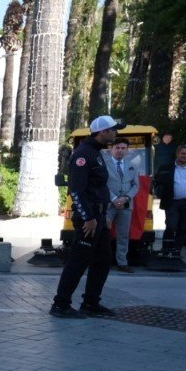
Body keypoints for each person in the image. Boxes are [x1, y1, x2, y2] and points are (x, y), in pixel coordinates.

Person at [51, 115, 122, 318]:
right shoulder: (83, 154)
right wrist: (89, 217)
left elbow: (98, 187)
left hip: (98, 216)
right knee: (78, 261)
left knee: (103, 260)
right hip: (88, 218)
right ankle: (60, 304)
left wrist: (103, 214)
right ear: (102, 132)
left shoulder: (96, 152)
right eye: (113, 130)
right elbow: (76, 190)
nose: (116, 133)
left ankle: (91, 303)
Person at [102, 140, 139, 272]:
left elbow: (136, 185)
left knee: (123, 235)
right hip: (108, 204)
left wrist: (126, 198)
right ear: (111, 149)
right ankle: (101, 261)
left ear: (127, 150)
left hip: (126, 205)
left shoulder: (132, 166)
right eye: (117, 147)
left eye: (123, 148)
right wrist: (114, 199)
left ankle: (122, 263)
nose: (120, 150)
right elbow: (102, 184)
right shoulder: (104, 164)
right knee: (103, 233)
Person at [153, 143, 186, 258]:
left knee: (183, 228)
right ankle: (166, 249)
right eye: (183, 153)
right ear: (177, 154)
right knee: (171, 226)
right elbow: (157, 182)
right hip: (172, 202)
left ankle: (177, 251)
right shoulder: (166, 168)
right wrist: (159, 192)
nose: (185, 156)